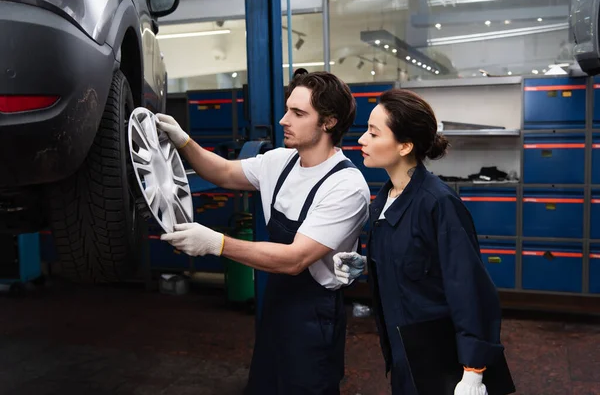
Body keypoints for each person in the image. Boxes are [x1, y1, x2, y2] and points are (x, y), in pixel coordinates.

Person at [158, 70, 371, 394]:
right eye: (287, 109)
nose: (284, 119)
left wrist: (217, 243)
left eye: (298, 113)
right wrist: (183, 141)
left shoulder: (346, 186)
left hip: (313, 316)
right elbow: (224, 172)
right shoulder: (280, 162)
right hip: (276, 305)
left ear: (328, 122)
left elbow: (295, 259)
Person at [333, 88, 515, 395]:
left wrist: (473, 372)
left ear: (404, 145)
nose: (362, 140)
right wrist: (366, 265)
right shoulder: (385, 200)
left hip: (439, 357)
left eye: (374, 134)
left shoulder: (438, 203)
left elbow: (469, 288)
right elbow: (417, 263)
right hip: (404, 351)